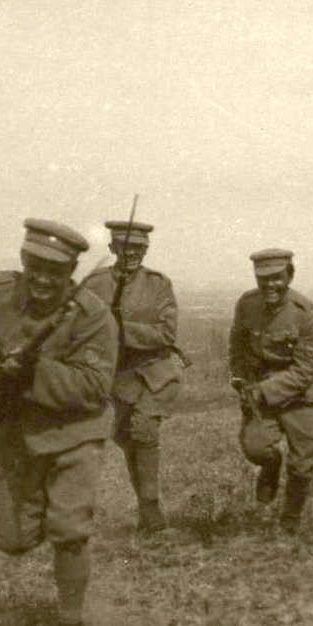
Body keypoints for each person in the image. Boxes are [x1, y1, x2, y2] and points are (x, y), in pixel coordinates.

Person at [0, 220, 117, 626]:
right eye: (35, 267)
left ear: (71, 272)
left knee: (69, 529)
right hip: (14, 432)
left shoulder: (93, 316)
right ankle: (40, 508)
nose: (43, 279)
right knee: (13, 540)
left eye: (55, 271)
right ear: (23, 261)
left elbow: (94, 387)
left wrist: (33, 372)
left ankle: (70, 620)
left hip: (75, 431)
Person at [84, 217, 181, 532]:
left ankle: (151, 510)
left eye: (138, 247)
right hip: (117, 376)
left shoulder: (158, 284)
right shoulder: (94, 284)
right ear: (113, 247)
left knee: (144, 430)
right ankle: (145, 507)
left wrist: (121, 329)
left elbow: (166, 333)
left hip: (154, 372)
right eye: (124, 247)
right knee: (127, 438)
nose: (131, 253)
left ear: (146, 249)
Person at [229, 248, 313, 531]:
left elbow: (304, 372)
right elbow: (237, 345)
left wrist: (261, 390)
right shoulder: (247, 304)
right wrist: (240, 377)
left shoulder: (306, 313)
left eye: (277, 278)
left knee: (302, 463)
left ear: (290, 276)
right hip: (261, 390)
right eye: (263, 279)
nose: (270, 285)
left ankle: (290, 519)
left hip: (303, 396)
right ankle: (271, 467)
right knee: (255, 448)